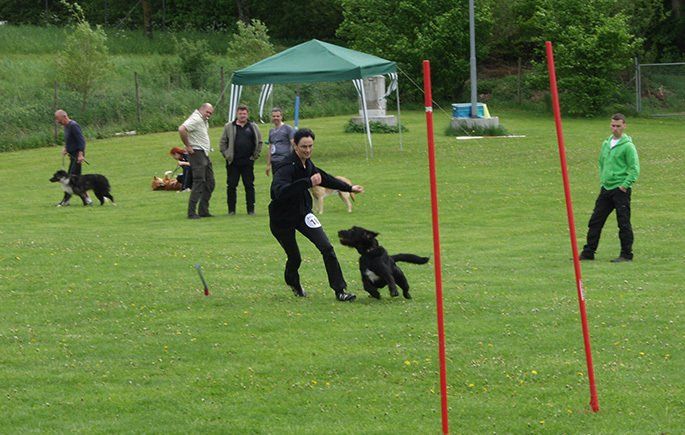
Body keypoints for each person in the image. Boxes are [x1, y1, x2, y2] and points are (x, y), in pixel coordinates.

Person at [269, 128, 363, 301]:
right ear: (295, 145)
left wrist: (349, 188)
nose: (308, 150)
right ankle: (294, 284)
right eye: (304, 146)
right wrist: (307, 182)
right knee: (295, 258)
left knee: (327, 248)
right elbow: (279, 192)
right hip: (282, 218)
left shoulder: (308, 164)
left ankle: (340, 291)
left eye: (310, 146)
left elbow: (325, 178)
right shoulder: (285, 166)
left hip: (303, 214)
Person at [580, 113, 640, 262]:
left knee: (623, 223)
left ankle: (626, 254)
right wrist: (603, 181)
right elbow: (601, 163)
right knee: (595, 221)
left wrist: (624, 185)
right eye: (613, 125)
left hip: (620, 190)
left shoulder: (628, 146)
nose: (615, 129)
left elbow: (634, 169)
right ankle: (588, 252)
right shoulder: (606, 144)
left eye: (618, 126)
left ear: (624, 126)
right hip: (606, 188)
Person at [219, 104, 263, 215]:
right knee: (231, 186)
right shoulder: (229, 126)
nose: (242, 116)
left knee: (249, 185)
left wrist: (255, 155)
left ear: (247, 114)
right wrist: (227, 155)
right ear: (236, 114)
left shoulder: (253, 126)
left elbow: (259, 142)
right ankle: (231, 210)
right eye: (240, 113)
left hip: (248, 162)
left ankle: (251, 210)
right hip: (233, 162)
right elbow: (223, 142)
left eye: (244, 113)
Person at [178, 103, 215, 219]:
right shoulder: (196, 119)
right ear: (201, 110)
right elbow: (182, 129)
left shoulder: (202, 120)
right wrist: (188, 146)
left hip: (204, 153)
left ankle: (203, 210)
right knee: (199, 181)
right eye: (207, 112)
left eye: (210, 113)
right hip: (197, 153)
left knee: (210, 182)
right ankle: (191, 212)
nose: (209, 115)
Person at [54, 109, 90, 206]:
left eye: (58, 119)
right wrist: (66, 148)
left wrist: (81, 154)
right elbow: (70, 140)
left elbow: (81, 141)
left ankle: (72, 201)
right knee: (74, 180)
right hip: (73, 156)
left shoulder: (73, 126)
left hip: (77, 157)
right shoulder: (66, 126)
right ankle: (84, 199)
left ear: (64, 116)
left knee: (71, 180)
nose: (58, 121)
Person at [265, 107, 295, 176]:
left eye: (277, 116)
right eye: (274, 116)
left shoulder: (287, 128)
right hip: (274, 162)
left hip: (284, 161)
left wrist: (294, 160)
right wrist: (268, 164)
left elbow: (294, 145)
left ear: (281, 117)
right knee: (276, 180)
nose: (275, 118)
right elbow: (270, 148)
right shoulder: (271, 131)